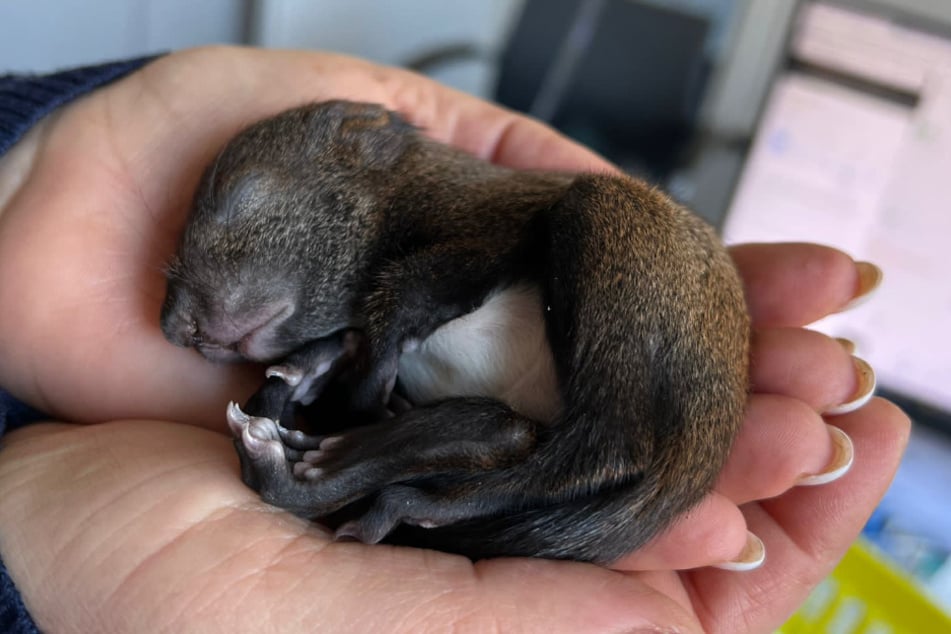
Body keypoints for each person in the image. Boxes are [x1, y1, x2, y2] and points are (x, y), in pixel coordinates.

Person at [0, 46, 909, 633]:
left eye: (235, 208)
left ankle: (570, 461)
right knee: (408, 449)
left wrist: (389, 329)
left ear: (357, 143)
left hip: (623, 401)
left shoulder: (436, 199)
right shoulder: (351, 330)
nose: (181, 326)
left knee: (620, 211)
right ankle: (338, 484)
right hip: (510, 438)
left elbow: (474, 257)